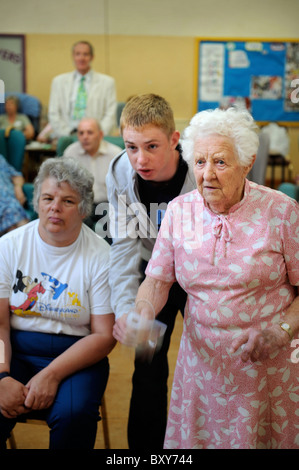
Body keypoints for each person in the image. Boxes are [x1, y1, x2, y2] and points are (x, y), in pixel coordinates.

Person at [113, 107, 299, 450]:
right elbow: (156, 281)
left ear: (247, 163)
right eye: (199, 162)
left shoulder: (282, 211)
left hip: (265, 367)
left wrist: (281, 331)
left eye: (220, 162)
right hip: (202, 367)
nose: (208, 174)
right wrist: (141, 310)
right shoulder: (180, 212)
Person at [0, 157, 115, 449]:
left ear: (84, 209)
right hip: (16, 349)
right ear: (37, 201)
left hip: (77, 356)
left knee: (73, 415)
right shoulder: (9, 246)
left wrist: (50, 375)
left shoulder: (102, 256)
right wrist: (2, 375)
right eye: (48, 198)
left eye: (68, 201)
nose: (55, 207)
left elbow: (104, 335)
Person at [106, 93, 196, 449]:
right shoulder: (118, 171)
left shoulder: (200, 169)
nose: (140, 159)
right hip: (149, 275)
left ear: (175, 140)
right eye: (131, 146)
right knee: (146, 371)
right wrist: (127, 308)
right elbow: (124, 246)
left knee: (208, 364)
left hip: (198, 278)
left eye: (152, 146)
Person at [63, 117, 122, 235]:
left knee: (112, 226)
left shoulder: (115, 154)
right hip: (82, 204)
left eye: (90, 132)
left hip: (108, 205)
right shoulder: (70, 153)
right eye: (81, 133)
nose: (85, 137)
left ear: (100, 135)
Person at [48, 41, 117, 138]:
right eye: (78, 54)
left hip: (97, 138)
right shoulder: (58, 82)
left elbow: (110, 114)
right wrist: (68, 134)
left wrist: (97, 135)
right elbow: (54, 113)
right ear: (73, 56)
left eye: (86, 54)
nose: (81, 58)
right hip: (67, 136)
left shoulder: (107, 82)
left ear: (92, 57)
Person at [0, 154, 28, 236]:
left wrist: (18, 188)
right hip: (8, 204)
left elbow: (17, 175)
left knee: (13, 228)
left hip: (11, 200)